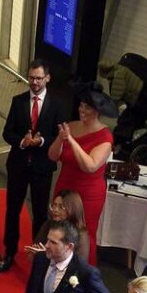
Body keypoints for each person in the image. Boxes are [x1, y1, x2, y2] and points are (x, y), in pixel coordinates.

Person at [1, 59, 67, 266]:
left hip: (42, 167)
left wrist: (42, 141)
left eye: (39, 78)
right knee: (13, 210)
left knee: (40, 212)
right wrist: (22, 141)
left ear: (47, 78)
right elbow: (6, 132)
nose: (35, 82)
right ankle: (9, 252)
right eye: (31, 78)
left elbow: (59, 135)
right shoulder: (18, 101)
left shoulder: (57, 104)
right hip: (18, 165)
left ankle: (39, 253)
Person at [49, 85, 115, 263]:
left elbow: (91, 166)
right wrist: (60, 138)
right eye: (81, 105)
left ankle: (81, 273)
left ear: (97, 111)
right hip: (65, 185)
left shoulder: (105, 137)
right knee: (59, 227)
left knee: (83, 232)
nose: (81, 109)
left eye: (86, 107)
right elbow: (53, 155)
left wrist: (71, 140)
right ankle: (55, 265)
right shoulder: (71, 126)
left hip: (88, 193)